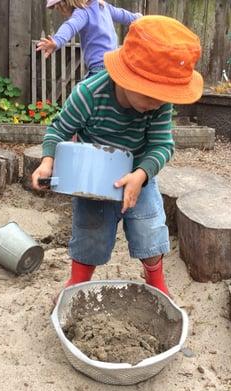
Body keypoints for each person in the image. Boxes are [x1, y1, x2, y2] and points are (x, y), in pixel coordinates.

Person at [32, 16, 203, 296]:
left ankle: (156, 281)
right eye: (151, 96)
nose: (157, 104)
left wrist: (141, 175)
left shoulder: (159, 104)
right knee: (90, 233)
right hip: (93, 180)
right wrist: (47, 161)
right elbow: (57, 131)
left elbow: (162, 145)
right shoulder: (88, 94)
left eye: (164, 96)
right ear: (126, 76)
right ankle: (78, 281)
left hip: (137, 174)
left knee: (149, 229)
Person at [37, 0, 141, 77]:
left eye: (60, 6)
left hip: (99, 68)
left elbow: (70, 26)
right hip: (114, 65)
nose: (61, 10)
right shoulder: (104, 7)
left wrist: (56, 41)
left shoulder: (83, 12)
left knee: (83, 97)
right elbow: (126, 17)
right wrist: (140, 18)